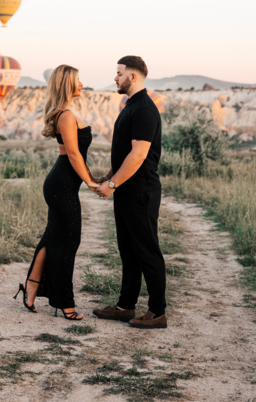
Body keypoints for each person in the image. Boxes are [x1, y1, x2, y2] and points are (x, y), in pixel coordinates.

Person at [14, 65, 99, 320]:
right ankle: (64, 302)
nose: (82, 84)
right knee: (68, 242)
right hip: (61, 185)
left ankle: (30, 287)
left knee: (53, 238)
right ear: (67, 84)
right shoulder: (65, 115)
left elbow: (78, 157)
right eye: (78, 80)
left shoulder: (67, 113)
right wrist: (92, 185)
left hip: (62, 184)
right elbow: (73, 155)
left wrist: (93, 177)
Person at [94, 56, 167, 329]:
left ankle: (158, 312)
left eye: (119, 73)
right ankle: (125, 306)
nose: (115, 78)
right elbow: (126, 152)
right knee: (128, 251)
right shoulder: (130, 105)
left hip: (141, 192)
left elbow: (138, 155)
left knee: (147, 251)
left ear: (133, 76)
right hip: (127, 189)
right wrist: (111, 176)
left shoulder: (145, 109)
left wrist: (111, 186)